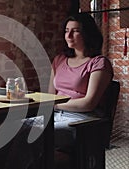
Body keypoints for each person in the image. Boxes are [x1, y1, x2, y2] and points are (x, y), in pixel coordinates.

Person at [48, 13, 114, 150]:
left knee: (35, 135)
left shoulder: (98, 63)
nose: (69, 35)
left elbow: (89, 103)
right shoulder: (59, 60)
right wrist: (52, 105)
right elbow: (49, 97)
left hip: (82, 121)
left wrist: (56, 105)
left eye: (75, 31)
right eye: (66, 31)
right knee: (18, 128)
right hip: (55, 116)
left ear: (87, 34)